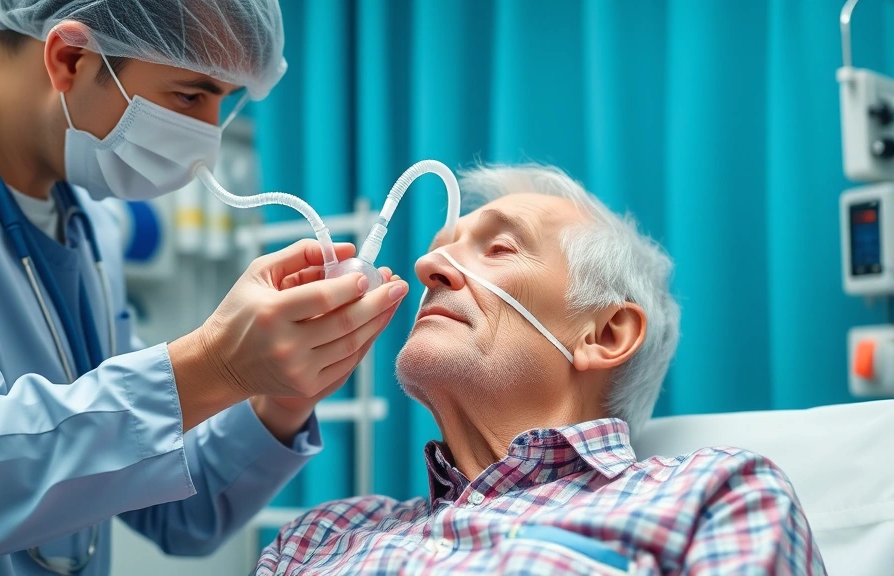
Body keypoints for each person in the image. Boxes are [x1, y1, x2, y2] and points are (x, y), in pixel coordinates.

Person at [0, 1, 409, 574]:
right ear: (70, 57)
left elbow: (172, 511)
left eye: (223, 102)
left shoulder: (87, 205)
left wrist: (279, 397)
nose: (208, 139)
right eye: (190, 94)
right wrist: (212, 366)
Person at [257, 165, 826, 575]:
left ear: (604, 335)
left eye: (500, 249)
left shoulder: (714, 499)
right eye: (438, 249)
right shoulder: (318, 539)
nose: (429, 266)